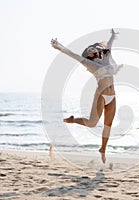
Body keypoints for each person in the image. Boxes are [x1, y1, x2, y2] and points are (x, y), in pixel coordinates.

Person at [51, 29, 122, 163]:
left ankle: (103, 149)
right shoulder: (90, 64)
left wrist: (112, 36)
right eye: (88, 51)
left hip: (112, 96)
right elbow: (72, 55)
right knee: (92, 123)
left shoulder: (106, 58)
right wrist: (58, 46)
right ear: (90, 56)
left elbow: (109, 46)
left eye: (92, 49)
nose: (90, 50)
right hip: (101, 95)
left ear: (96, 52)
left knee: (108, 125)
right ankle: (72, 120)